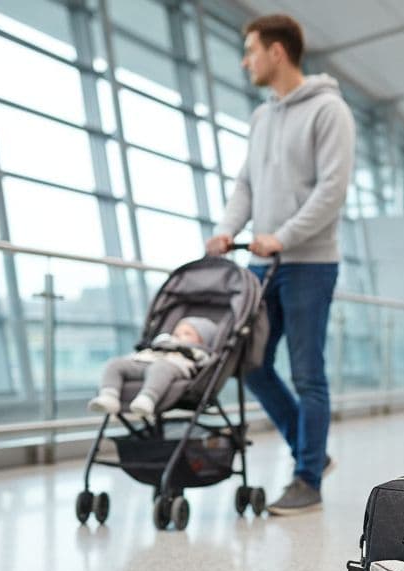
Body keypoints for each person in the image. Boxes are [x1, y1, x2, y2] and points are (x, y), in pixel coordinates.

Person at [205, 14, 354, 514]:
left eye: (250, 50)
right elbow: (246, 184)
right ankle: (311, 450)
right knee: (249, 363)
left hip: (310, 264)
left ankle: (307, 479)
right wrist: (229, 228)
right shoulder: (261, 116)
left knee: (308, 373)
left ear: (277, 52)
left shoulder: (330, 111)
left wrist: (283, 237)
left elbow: (331, 191)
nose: (245, 60)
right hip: (262, 265)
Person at [88, 317, 217, 419]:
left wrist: (192, 351)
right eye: (176, 333)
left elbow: (204, 363)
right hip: (145, 362)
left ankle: (147, 398)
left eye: (187, 333)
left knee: (159, 368)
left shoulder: (198, 351)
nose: (178, 336)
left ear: (202, 340)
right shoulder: (164, 343)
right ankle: (109, 396)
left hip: (172, 367)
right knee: (115, 363)